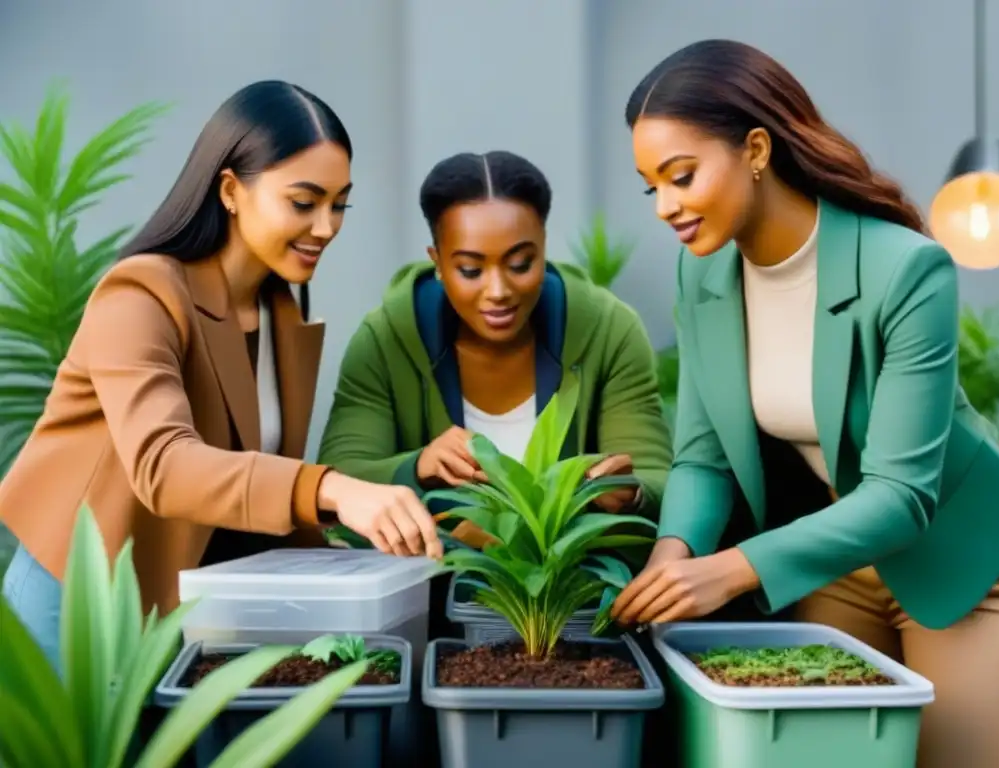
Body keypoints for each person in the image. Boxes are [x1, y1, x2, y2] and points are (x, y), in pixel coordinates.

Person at [610, 39, 999, 768]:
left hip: (966, 565)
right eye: (653, 188)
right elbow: (703, 458)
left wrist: (730, 568)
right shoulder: (704, 277)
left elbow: (900, 495)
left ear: (757, 150)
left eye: (680, 177)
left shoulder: (905, 269)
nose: (666, 208)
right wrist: (673, 556)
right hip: (833, 560)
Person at [0, 80, 440, 671]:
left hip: (173, 612)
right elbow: (165, 464)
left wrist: (354, 547)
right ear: (231, 190)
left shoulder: (280, 311)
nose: (327, 226)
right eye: (304, 202)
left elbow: (247, 489)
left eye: (340, 204)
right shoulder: (141, 292)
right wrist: (332, 487)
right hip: (76, 604)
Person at [317, 150, 672, 550]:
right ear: (437, 262)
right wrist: (416, 467)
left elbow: (659, 478)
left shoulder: (609, 331)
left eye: (520, 263)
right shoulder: (386, 339)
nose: (498, 291)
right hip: (426, 595)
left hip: (574, 602)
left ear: (543, 247)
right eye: (470, 270)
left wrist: (631, 490)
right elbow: (338, 479)